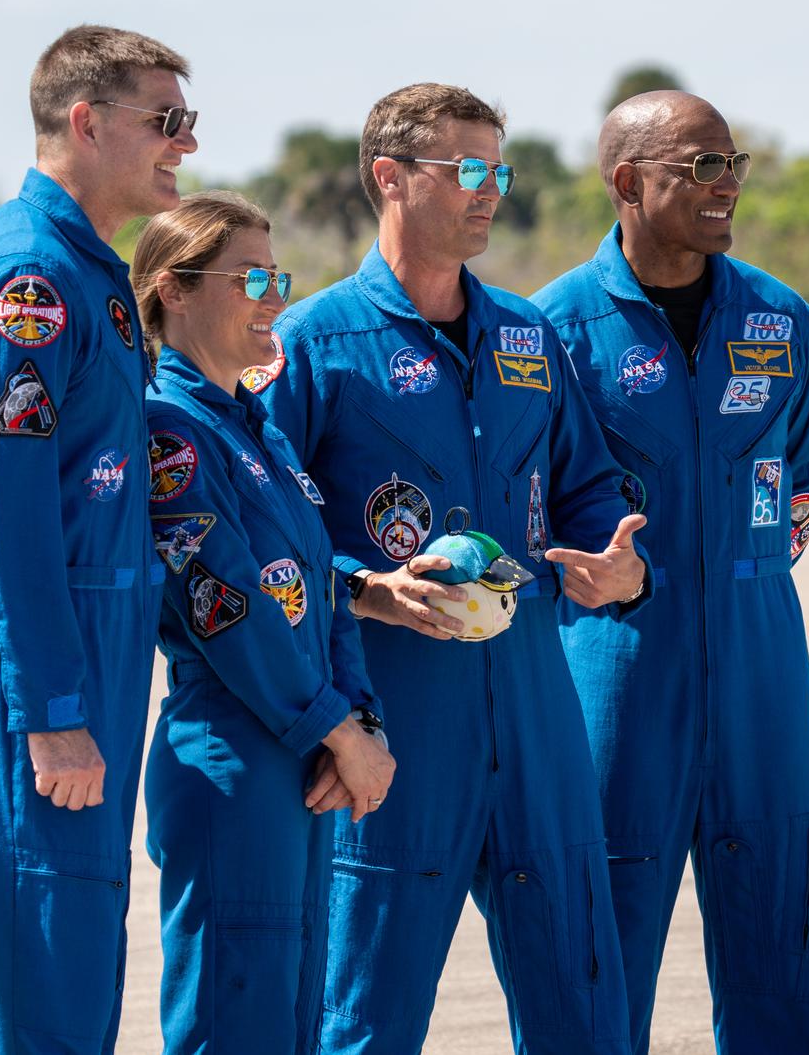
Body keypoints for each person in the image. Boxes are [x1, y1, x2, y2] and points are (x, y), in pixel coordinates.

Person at [257, 83, 646, 1055]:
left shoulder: (526, 335)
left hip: (532, 707)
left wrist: (613, 562)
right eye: (465, 169)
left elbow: (586, 484)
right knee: (366, 1009)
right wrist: (364, 589)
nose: (488, 192)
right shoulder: (312, 346)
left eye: (497, 170)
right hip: (392, 712)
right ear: (388, 177)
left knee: (582, 993)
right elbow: (258, 531)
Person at [532, 91, 809, 1054]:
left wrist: (740, 579)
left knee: (785, 939)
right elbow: (524, 504)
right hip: (612, 671)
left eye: (732, 164)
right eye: (699, 167)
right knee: (597, 948)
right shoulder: (547, 330)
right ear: (628, 183)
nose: (725, 187)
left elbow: (805, 477)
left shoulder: (779, 316)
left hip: (762, 674)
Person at [0, 24, 195, 1053]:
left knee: (70, 957)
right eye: (166, 121)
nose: (185, 144)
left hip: (77, 642)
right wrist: (50, 704)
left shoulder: (86, 269)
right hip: (33, 658)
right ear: (86, 122)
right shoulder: (28, 279)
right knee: (39, 978)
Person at [128, 192, 397, 1054]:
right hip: (233, 756)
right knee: (234, 1021)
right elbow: (229, 606)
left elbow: (320, 590)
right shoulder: (170, 431)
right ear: (174, 288)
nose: (273, 295)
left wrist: (358, 720)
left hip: (301, 752)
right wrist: (336, 729)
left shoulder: (261, 436)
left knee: (291, 1021)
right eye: (250, 276)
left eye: (277, 275)